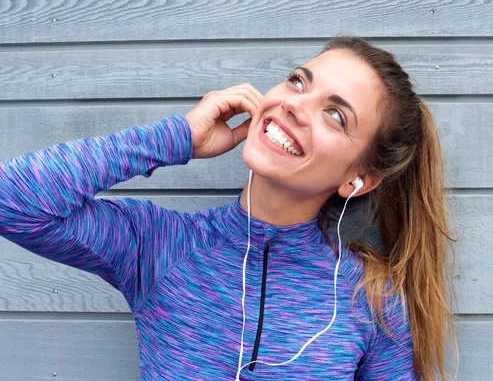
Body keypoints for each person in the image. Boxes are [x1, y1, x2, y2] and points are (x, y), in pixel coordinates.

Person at [0, 36, 457, 381]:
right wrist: (176, 138)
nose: (295, 105)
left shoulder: (372, 301)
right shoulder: (161, 246)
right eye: (298, 81)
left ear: (357, 180)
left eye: (335, 114)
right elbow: (12, 199)